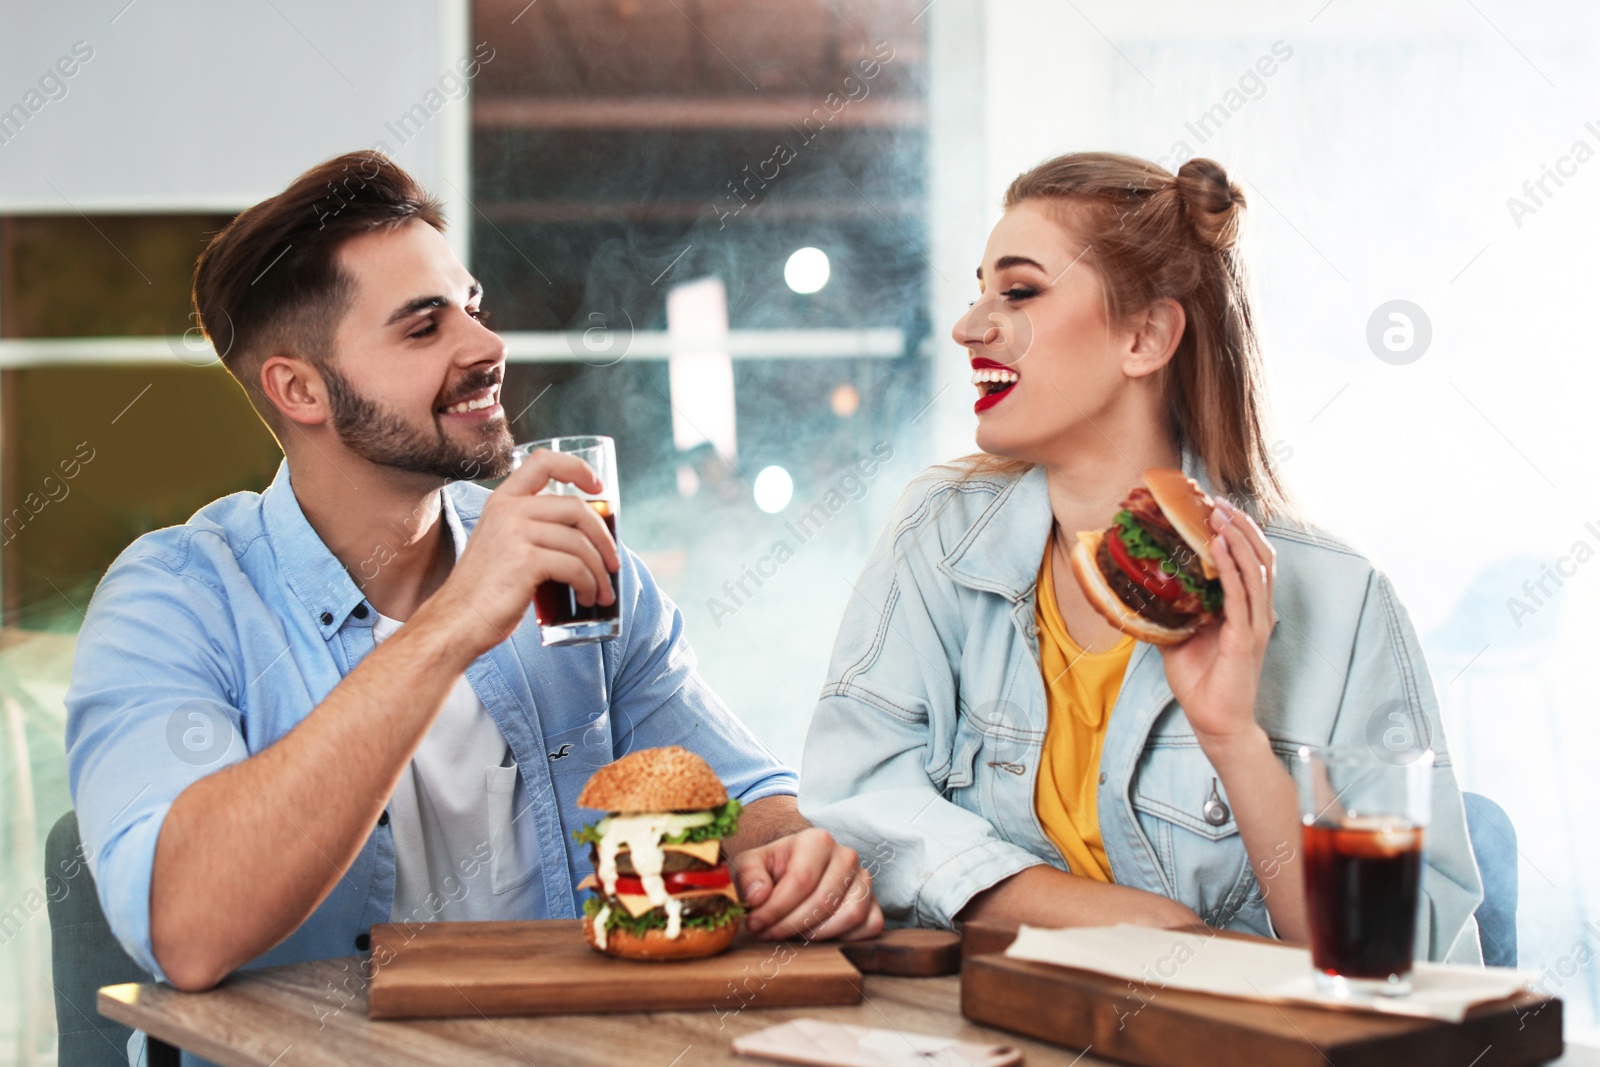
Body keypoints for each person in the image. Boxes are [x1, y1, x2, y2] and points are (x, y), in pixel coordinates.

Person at [64, 151, 883, 1023]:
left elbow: (749, 802)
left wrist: (798, 858)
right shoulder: (177, 600)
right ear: (299, 388)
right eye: (424, 328)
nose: (488, 347)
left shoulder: (576, 564)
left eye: (474, 308)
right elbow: (185, 928)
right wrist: (453, 621)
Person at [799, 152, 1483, 962]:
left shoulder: (1341, 601)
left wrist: (1233, 736)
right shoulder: (938, 536)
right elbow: (855, 801)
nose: (970, 325)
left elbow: (1394, 954)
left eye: (1018, 291)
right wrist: (1105, 917)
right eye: (979, 289)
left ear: (1146, 334)